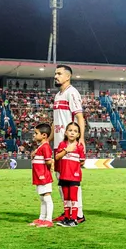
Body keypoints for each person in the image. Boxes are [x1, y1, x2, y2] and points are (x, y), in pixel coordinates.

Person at [50, 65, 86, 224]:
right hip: (59, 145)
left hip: (69, 145)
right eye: (55, 73)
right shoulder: (58, 95)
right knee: (61, 180)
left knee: (72, 183)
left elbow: (79, 117)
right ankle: (67, 212)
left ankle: (78, 215)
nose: (56, 76)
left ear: (68, 76)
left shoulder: (72, 93)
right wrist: (48, 139)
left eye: (59, 74)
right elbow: (55, 122)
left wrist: (81, 139)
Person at [54, 122, 86, 227]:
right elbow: (57, 157)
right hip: (64, 175)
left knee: (73, 197)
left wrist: (74, 168)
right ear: (66, 132)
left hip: (74, 176)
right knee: (66, 198)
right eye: (70, 130)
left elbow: (82, 161)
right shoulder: (62, 144)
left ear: (78, 135)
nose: (72, 133)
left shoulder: (79, 147)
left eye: (75, 131)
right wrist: (67, 151)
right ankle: (67, 218)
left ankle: (74, 219)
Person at [29, 123, 54, 228]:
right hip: (39, 176)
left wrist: (50, 167)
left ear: (44, 135)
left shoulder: (45, 147)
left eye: (36, 133)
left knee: (47, 197)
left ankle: (48, 220)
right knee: (42, 198)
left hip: (43, 176)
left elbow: (48, 161)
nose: (34, 135)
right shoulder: (41, 147)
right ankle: (42, 218)